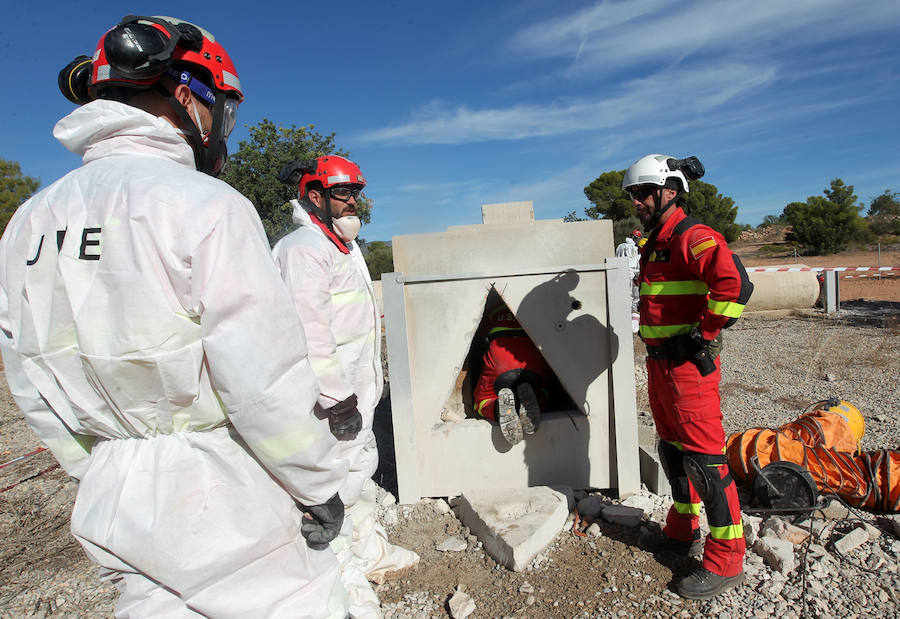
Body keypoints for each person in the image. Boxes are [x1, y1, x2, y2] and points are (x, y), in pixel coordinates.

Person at [0, 16, 352, 618]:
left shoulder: (29, 222)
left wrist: (101, 468)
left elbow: (28, 372)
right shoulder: (206, 206)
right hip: (227, 493)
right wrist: (317, 484)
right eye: (223, 111)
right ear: (188, 97)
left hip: (113, 498)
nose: (221, 131)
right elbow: (261, 378)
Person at [273, 156, 419, 617]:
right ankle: (342, 585)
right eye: (342, 193)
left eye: (354, 191)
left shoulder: (342, 246)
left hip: (357, 391)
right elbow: (309, 334)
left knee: (360, 473)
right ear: (314, 196)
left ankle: (369, 554)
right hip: (330, 401)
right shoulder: (303, 249)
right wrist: (336, 400)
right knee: (332, 488)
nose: (352, 200)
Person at [622, 154, 754, 600]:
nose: (636, 201)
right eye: (632, 194)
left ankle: (726, 559)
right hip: (660, 364)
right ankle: (682, 530)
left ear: (669, 191)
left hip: (687, 367)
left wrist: (704, 333)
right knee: (673, 452)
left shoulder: (692, 236)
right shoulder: (656, 240)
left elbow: (733, 286)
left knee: (706, 461)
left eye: (642, 192)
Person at [473, 300, 551, 446]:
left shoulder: (491, 312)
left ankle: (498, 408)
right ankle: (536, 399)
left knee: (481, 401)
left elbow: (478, 340)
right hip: (533, 361)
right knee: (546, 389)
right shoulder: (536, 309)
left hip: (501, 362)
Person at [615, 229, 643, 333]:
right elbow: (635, 263)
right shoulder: (635, 248)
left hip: (620, 273)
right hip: (632, 274)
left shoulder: (620, 246)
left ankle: (622, 323)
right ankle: (634, 326)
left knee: (624, 299)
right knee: (635, 299)